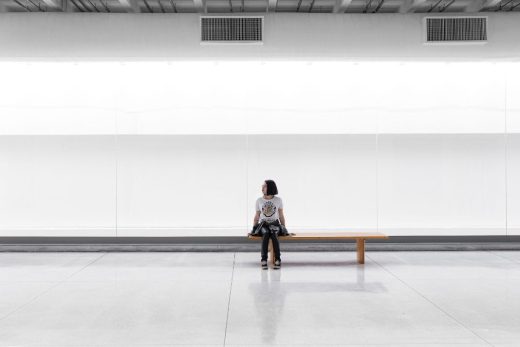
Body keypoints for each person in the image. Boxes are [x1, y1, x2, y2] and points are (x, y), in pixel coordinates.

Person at [250, 180, 288, 270]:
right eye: (262, 186)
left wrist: (284, 228)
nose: (262, 188)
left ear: (270, 187)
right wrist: (253, 228)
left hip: (275, 224)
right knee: (266, 233)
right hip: (263, 225)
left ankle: (278, 259)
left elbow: (281, 215)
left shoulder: (278, 200)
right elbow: (257, 216)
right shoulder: (259, 200)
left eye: (264, 186)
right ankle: (263, 260)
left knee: (274, 232)